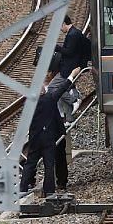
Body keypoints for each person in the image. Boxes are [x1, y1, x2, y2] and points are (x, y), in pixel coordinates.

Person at [20, 66, 79, 197]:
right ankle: (49, 190)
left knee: (30, 163)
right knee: (49, 164)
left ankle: (22, 189)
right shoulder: (49, 99)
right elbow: (62, 88)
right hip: (48, 138)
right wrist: (72, 75)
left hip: (35, 137)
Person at [53, 15, 91, 119]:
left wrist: (57, 48)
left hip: (69, 68)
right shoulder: (75, 32)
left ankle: (74, 99)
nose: (60, 30)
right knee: (64, 89)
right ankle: (68, 118)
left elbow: (70, 52)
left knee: (54, 88)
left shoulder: (72, 35)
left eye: (60, 27)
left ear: (63, 23)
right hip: (71, 66)